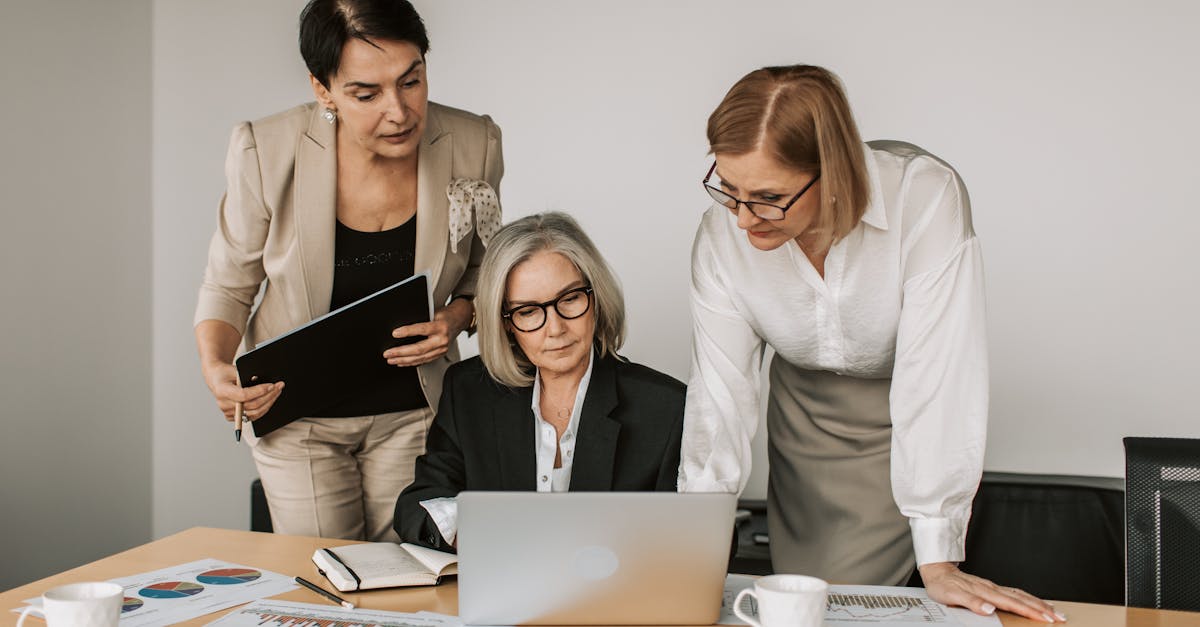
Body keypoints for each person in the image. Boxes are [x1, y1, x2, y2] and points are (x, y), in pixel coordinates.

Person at [678, 65, 1064, 623]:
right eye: (727, 189)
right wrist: (696, 548)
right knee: (808, 600)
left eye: (768, 197)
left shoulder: (924, 198)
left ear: (830, 172)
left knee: (864, 603)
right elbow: (719, 397)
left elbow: (938, 374)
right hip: (805, 416)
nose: (742, 219)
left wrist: (940, 557)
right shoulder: (721, 237)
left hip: (904, 406)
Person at [193, 0, 503, 543]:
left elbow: (486, 272)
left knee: (410, 579)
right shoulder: (265, 150)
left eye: (412, 81)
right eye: (367, 94)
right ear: (323, 88)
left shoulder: (474, 142)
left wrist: (454, 319)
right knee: (328, 584)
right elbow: (228, 283)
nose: (399, 111)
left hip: (416, 409)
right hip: (297, 416)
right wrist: (217, 366)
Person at [395, 212, 685, 551]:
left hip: (615, 598)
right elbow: (416, 505)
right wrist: (470, 528)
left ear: (596, 298)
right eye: (529, 311)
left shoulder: (667, 407)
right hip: (499, 595)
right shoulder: (469, 390)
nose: (556, 328)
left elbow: (706, 537)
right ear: (505, 321)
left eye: (570, 299)